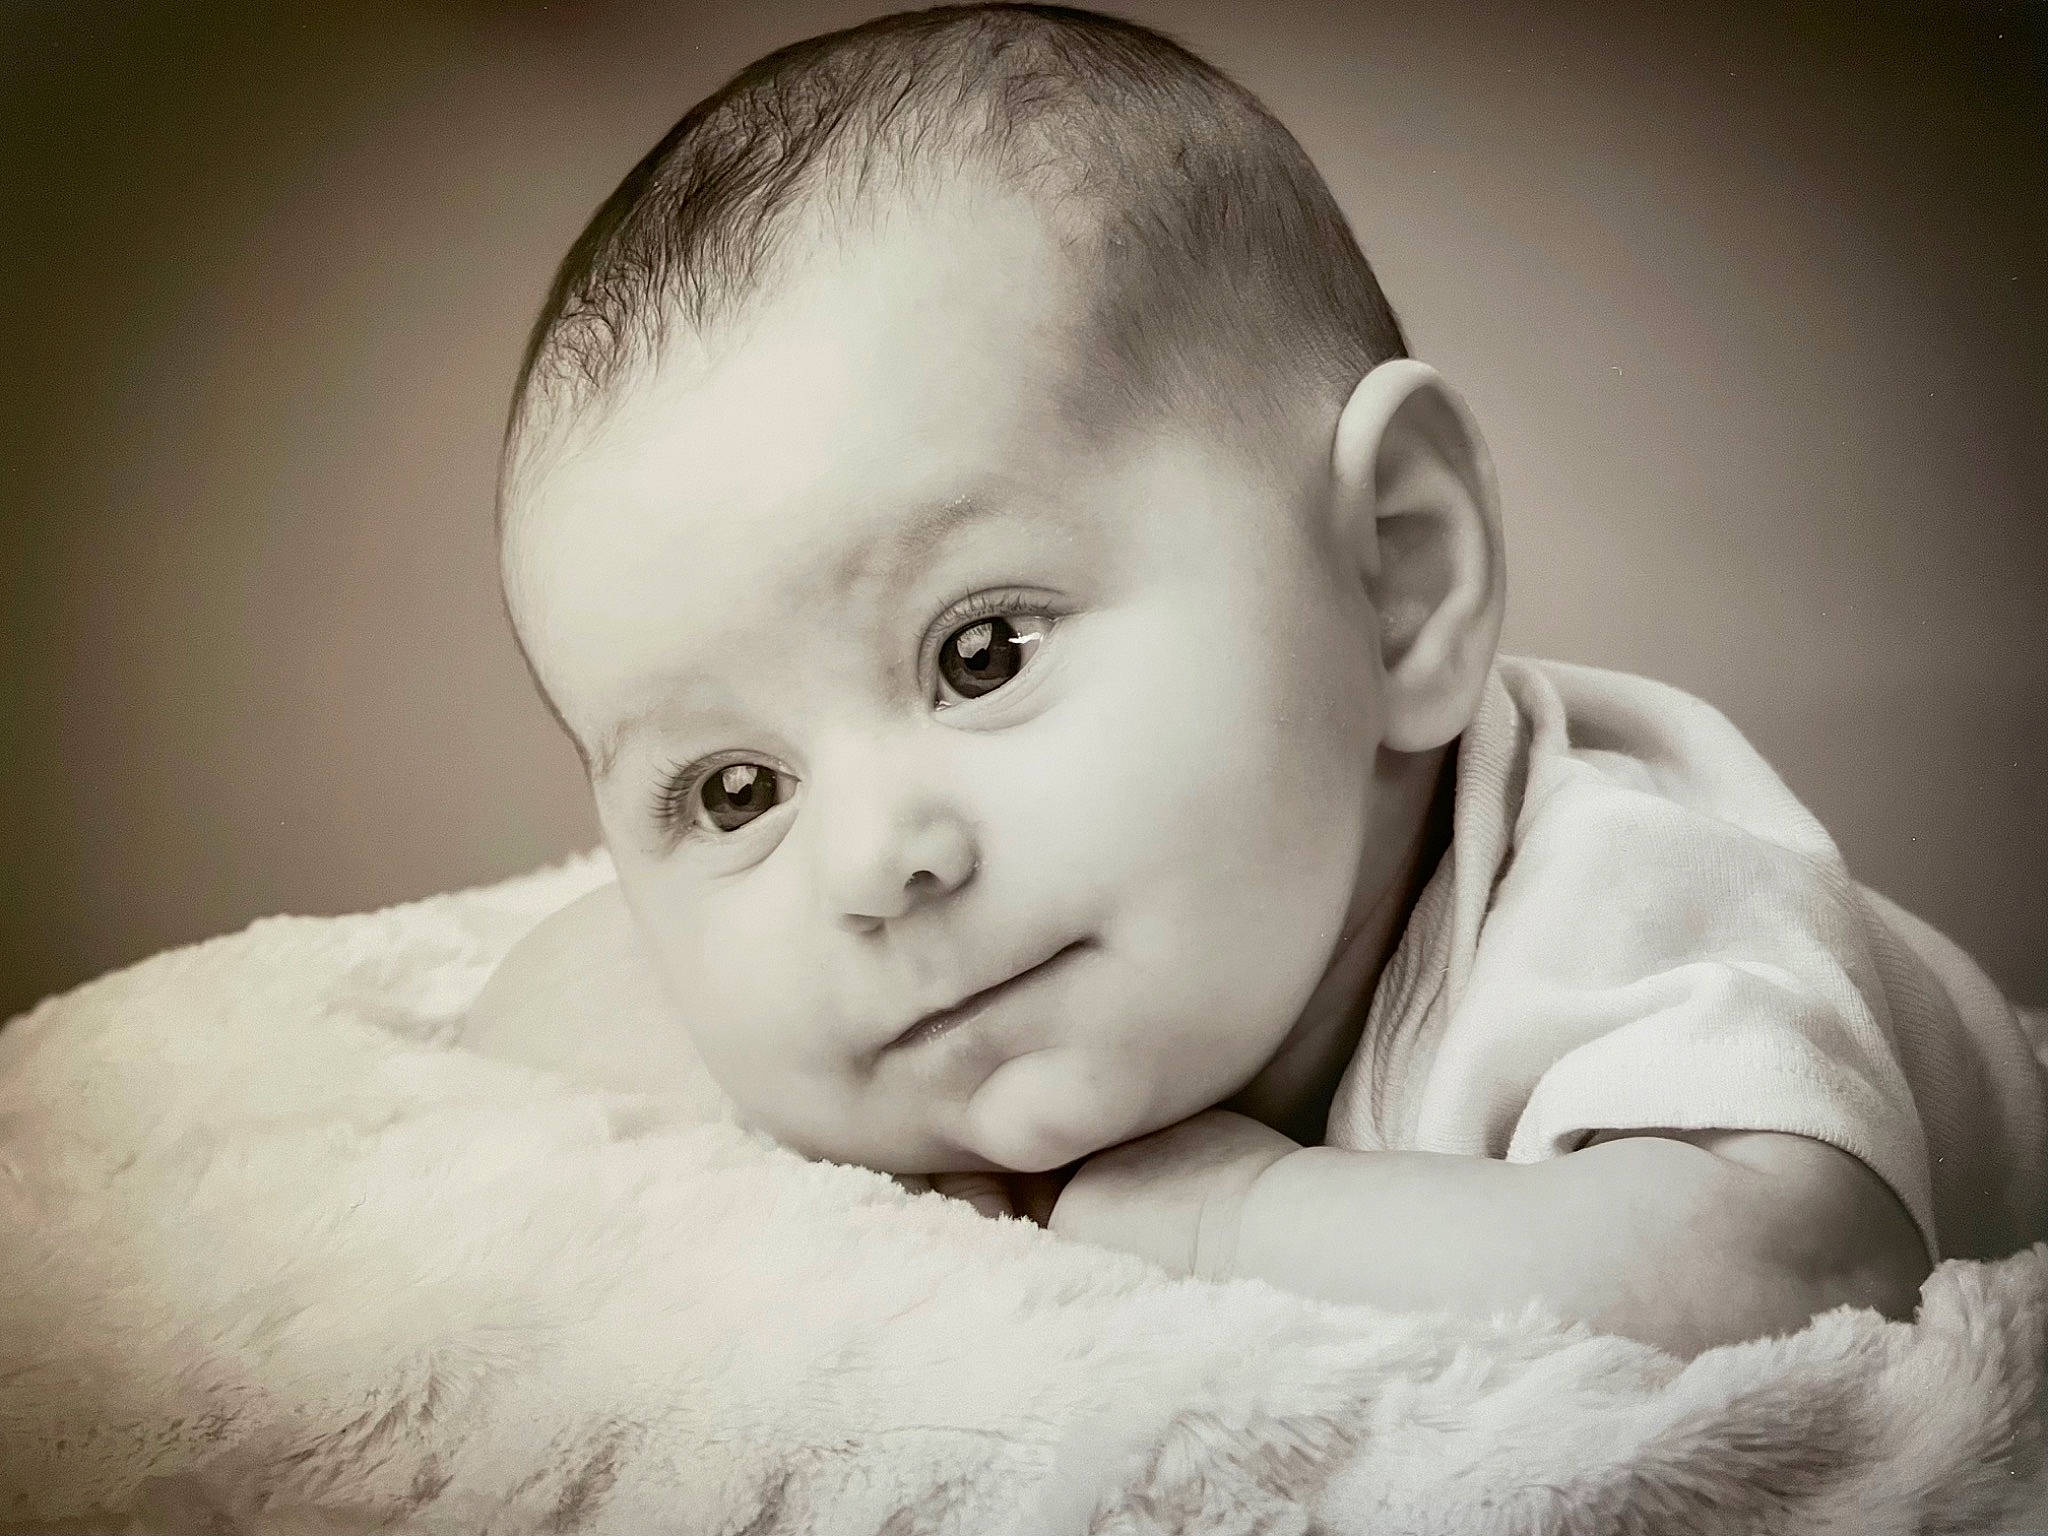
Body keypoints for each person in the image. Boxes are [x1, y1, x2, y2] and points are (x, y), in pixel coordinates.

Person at [471, 2, 2048, 1358]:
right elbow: (561, 1000)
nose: (871, 865)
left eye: (980, 655)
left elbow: (1803, 1278)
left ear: (1397, 581)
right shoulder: (945, 969)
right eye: (734, 792)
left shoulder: (1622, 892)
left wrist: (1226, 1215)